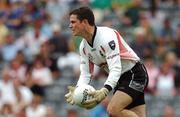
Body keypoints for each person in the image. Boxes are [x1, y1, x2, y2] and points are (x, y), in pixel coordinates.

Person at [65, 6, 149, 117]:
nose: (70, 25)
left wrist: (105, 90)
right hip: (120, 80)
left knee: (113, 111)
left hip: (134, 74)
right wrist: (77, 90)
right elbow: (86, 73)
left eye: (73, 22)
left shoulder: (107, 37)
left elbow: (115, 68)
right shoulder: (83, 47)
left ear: (84, 22)